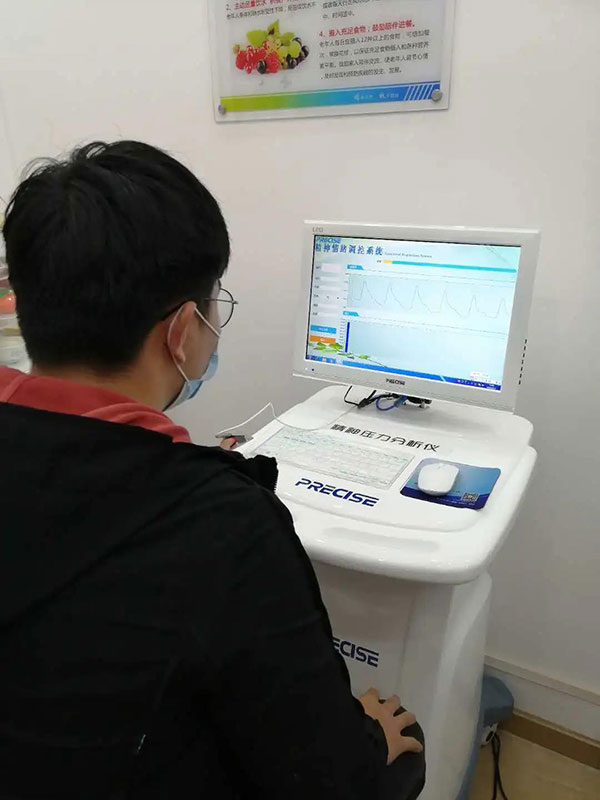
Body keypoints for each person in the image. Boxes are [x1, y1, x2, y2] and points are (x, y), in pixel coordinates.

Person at [0, 141, 425, 799]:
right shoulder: (230, 531)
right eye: (214, 302)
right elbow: (330, 780)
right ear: (181, 332)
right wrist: (371, 743)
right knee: (402, 751)